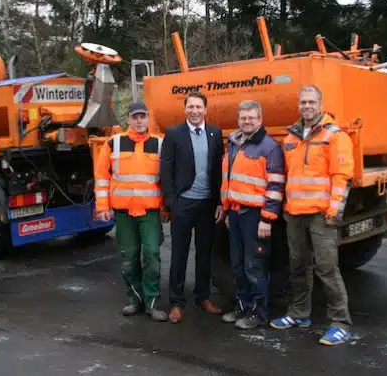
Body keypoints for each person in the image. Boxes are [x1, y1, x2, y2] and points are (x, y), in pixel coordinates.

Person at [269, 85, 354, 346]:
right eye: (303, 102)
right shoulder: (291, 137)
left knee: (327, 268)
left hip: (320, 215)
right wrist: (285, 207)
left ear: (320, 103)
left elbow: (342, 177)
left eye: (311, 102)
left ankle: (340, 322)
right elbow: (286, 176)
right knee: (298, 266)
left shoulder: (335, 135)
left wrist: (334, 211)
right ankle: (299, 314)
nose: (306, 106)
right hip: (294, 214)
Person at [93, 102, 169, 322]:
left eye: (142, 117)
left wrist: (165, 209)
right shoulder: (113, 144)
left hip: (150, 213)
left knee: (152, 256)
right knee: (129, 258)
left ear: (148, 119)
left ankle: (152, 303)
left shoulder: (159, 144)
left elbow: (165, 180)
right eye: (135, 117)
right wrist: (102, 207)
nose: (139, 121)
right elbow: (101, 177)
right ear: (128, 119)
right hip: (124, 213)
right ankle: (135, 300)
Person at [159, 91, 225, 323]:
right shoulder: (174, 133)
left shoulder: (215, 133)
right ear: (185, 109)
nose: (195, 111)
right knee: (179, 254)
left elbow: (218, 170)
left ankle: (202, 297)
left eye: (199, 107)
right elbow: (165, 170)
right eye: (191, 107)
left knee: (204, 253)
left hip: (207, 203)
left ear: (206, 110)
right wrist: (171, 202)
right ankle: (177, 302)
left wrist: (219, 201)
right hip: (183, 203)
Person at [220, 100, 285, 329]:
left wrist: (267, 219)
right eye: (243, 118)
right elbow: (228, 179)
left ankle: (258, 313)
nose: (247, 122)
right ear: (238, 120)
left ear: (260, 120)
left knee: (254, 266)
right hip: (235, 214)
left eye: (252, 118)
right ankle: (242, 307)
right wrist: (227, 209)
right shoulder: (234, 143)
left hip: (255, 216)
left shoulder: (269, 147)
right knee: (237, 266)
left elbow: (275, 186)